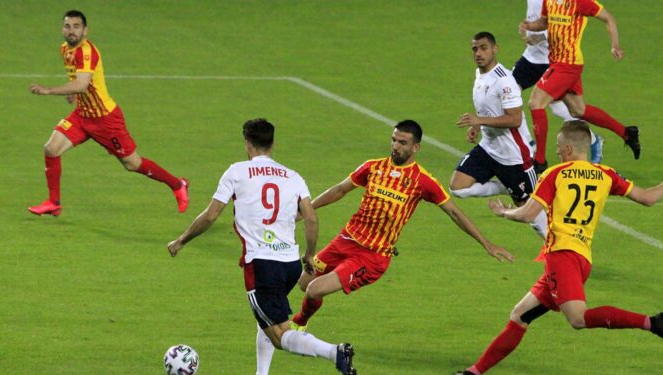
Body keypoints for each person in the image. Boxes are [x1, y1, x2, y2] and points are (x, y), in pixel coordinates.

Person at [454, 121, 663, 375]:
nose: (555, 152)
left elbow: (528, 215)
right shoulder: (606, 174)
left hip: (561, 257)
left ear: (567, 148)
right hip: (582, 258)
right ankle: (473, 372)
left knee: (578, 318)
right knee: (520, 316)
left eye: (557, 147)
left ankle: (652, 323)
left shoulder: (555, 174)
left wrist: (504, 212)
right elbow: (647, 198)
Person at [167, 119, 356, 375]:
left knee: (279, 334)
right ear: (272, 143)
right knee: (267, 315)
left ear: (247, 143)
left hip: (262, 265)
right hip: (290, 265)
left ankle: (334, 352)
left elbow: (210, 216)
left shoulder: (237, 171)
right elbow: (311, 218)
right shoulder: (293, 176)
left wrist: (181, 240)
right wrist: (309, 254)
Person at [290, 120, 513, 331]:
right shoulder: (373, 167)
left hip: (372, 256)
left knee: (313, 290)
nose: (395, 146)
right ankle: (300, 322)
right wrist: (306, 210)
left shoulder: (422, 180)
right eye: (394, 140)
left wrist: (487, 243)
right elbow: (339, 190)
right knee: (304, 282)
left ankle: (298, 323)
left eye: (402, 142)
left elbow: (454, 212)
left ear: (416, 147)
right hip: (346, 240)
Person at [28, 10, 188, 216]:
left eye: (76, 26)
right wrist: (72, 94)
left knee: (132, 164)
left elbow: (82, 84)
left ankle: (177, 184)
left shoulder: (87, 52)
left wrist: (49, 90)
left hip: (105, 119)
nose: (71, 31)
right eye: (67, 26)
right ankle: (53, 203)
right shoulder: (65, 49)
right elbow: (78, 81)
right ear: (62, 29)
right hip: (82, 115)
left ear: (85, 30)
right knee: (51, 149)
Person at [520, 0, 641, 173]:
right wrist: (529, 25)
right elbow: (546, 22)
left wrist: (615, 45)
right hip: (558, 63)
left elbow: (608, 18)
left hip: (567, 65)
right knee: (578, 110)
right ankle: (627, 133)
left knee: (535, 103)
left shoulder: (580, 2)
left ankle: (539, 161)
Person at [451, 32, 549, 239]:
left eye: (484, 48)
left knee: (528, 210)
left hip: (514, 155)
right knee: (457, 188)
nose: (478, 53)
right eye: (475, 49)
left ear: (495, 49)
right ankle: (506, 186)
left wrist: (480, 121)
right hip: (489, 148)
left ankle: (556, 246)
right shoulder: (480, 74)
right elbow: (488, 108)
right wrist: (478, 125)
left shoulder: (505, 81)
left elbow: (514, 119)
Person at [513, 0, 604, 164]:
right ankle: (529, 144)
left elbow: (563, 22)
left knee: (561, 108)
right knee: (508, 93)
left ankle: (592, 140)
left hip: (554, 61)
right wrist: (526, 27)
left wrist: (538, 37)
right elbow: (538, 20)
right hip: (531, 57)